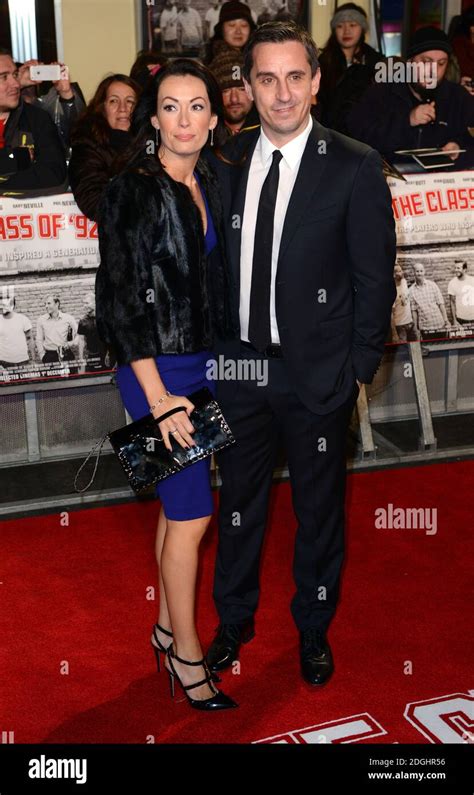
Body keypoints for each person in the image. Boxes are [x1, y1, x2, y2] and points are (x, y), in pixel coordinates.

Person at [206, 21, 397, 686]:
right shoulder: (225, 159)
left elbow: (376, 279)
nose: (281, 92)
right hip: (240, 370)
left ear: (316, 82)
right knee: (237, 507)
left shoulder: (353, 163)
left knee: (319, 515)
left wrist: (354, 371)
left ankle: (313, 629)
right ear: (249, 85)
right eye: (267, 78)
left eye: (295, 76)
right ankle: (233, 621)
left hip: (318, 377)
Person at [95, 59, 237, 710]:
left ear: (214, 115)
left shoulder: (210, 176)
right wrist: (156, 399)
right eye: (171, 107)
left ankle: (162, 627)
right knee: (194, 512)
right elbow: (121, 304)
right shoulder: (132, 190)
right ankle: (186, 654)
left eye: (197, 106)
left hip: (202, 364)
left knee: (177, 508)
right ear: (153, 120)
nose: (185, 120)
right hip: (155, 371)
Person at [347, 27, 474, 170]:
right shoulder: (382, 93)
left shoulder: (458, 97)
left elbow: (469, 139)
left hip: (439, 186)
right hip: (389, 184)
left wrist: (458, 147)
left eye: (441, 63)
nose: (433, 71)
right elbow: (356, 139)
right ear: (409, 61)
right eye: (426, 61)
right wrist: (407, 120)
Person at [68, 74, 140, 221]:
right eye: (114, 101)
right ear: (102, 108)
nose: (123, 109)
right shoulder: (87, 144)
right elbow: (94, 202)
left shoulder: (152, 140)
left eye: (130, 102)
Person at [0, 49, 67, 192]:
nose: (16, 84)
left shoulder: (37, 119)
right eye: (4, 77)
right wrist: (19, 157)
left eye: (15, 75)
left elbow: (54, 174)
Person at [317, 3, 385, 134]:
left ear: (363, 28)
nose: (346, 31)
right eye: (340, 26)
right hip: (330, 134)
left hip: (366, 134)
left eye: (353, 25)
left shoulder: (376, 61)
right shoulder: (323, 62)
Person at [18, 59, 86, 150]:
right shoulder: (7, 114)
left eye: (31, 76)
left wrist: (65, 92)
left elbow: (76, 134)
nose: (27, 86)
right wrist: (18, 83)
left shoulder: (45, 110)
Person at [210, 49, 257, 135]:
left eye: (242, 89)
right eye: (226, 91)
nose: (234, 99)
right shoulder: (204, 136)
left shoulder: (270, 132)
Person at [205, 0, 256, 67]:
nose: (238, 31)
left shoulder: (249, 55)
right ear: (221, 29)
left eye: (244, 25)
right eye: (232, 25)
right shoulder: (229, 62)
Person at [409, 263, 449, 339]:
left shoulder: (432, 285)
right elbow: (414, 311)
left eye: (421, 271)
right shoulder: (411, 291)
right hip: (425, 327)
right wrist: (416, 328)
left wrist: (446, 320)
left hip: (439, 324)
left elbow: (441, 304)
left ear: (424, 272)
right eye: (417, 271)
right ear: (413, 272)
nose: (419, 273)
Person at [36, 295, 78, 366]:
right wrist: (42, 356)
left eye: (49, 303)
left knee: (70, 376)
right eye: (45, 304)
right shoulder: (41, 320)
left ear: (57, 304)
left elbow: (79, 333)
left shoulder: (68, 318)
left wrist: (71, 343)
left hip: (66, 354)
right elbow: (39, 339)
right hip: (49, 356)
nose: (46, 306)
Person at [0, 295, 35, 368]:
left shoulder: (23, 319)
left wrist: (33, 360)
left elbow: (30, 339)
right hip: (3, 362)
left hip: (23, 361)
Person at [392, 263, 416, 343]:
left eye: (401, 270)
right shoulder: (390, 291)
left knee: (416, 350)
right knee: (404, 352)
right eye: (397, 271)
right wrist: (394, 334)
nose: (401, 273)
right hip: (400, 326)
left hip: (410, 323)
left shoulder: (404, 282)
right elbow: (390, 315)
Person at [448, 260, 474, 327]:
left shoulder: (472, 280)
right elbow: (452, 302)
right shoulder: (452, 283)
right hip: (461, 319)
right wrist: (454, 320)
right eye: (455, 268)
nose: (456, 270)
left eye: (458, 268)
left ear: (465, 269)